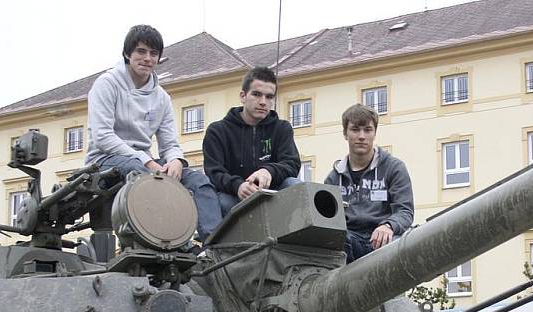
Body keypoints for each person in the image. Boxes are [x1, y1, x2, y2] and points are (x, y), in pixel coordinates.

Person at [86, 24, 222, 243]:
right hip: (103, 160)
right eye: (141, 51)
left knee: (198, 181)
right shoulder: (106, 85)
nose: (147, 58)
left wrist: (176, 160)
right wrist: (147, 161)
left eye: (153, 53)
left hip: (145, 162)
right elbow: (102, 137)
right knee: (142, 175)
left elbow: (169, 143)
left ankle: (215, 246)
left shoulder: (162, 98)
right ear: (127, 53)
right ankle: (159, 242)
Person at [203, 66, 301, 216]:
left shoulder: (282, 128)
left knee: (294, 185)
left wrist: (268, 171)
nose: (263, 102)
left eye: (269, 97)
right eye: (256, 94)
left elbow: (292, 164)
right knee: (221, 201)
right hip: (234, 197)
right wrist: (238, 186)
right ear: (243, 96)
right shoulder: (217, 131)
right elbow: (214, 172)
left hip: (273, 195)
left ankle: (299, 238)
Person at [324, 104, 414, 262]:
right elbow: (329, 220)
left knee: (402, 247)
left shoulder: (394, 168)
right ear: (345, 133)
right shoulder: (333, 179)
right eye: (355, 129)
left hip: (385, 238)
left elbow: (405, 211)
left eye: (367, 130)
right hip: (350, 240)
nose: (361, 136)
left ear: (374, 133)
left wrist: (388, 226)